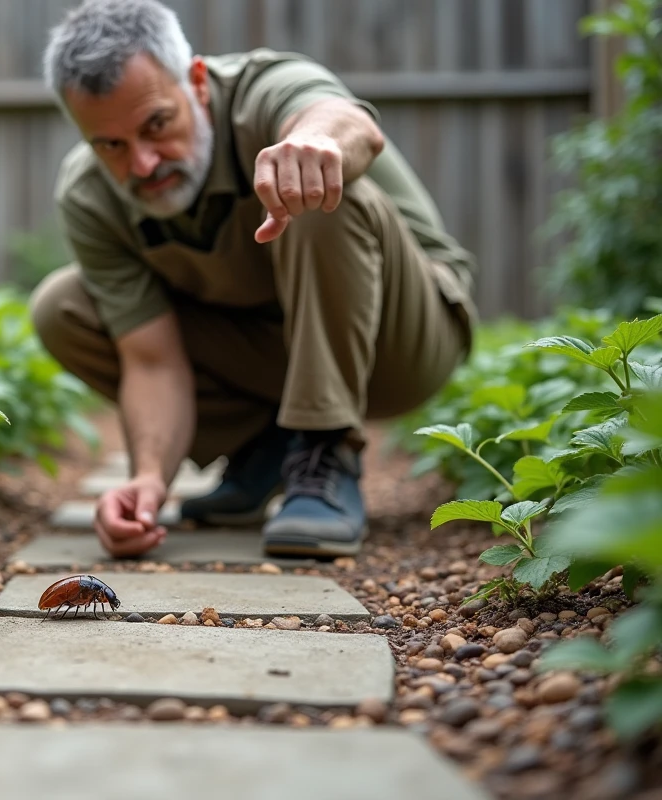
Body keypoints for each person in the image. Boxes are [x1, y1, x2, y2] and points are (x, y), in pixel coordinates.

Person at [31, 0, 477, 559]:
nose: (142, 164)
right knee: (64, 307)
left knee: (314, 186)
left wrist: (314, 144)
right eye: (111, 145)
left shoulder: (261, 88)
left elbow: (345, 123)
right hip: (276, 348)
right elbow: (152, 359)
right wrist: (149, 479)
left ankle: (324, 451)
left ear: (196, 81)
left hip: (406, 341)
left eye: (156, 125)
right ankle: (265, 449)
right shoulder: (89, 195)